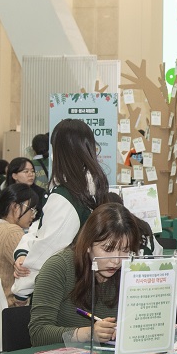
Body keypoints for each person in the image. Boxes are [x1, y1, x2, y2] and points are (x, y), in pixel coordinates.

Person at [12, 119, 109, 301]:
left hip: (62, 293)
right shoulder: (91, 186)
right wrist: (23, 253)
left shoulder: (67, 196)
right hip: (81, 285)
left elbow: (48, 248)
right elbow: (41, 230)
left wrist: (21, 288)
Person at [28, 203, 140, 346]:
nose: (116, 261)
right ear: (88, 244)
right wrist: (88, 333)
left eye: (125, 250)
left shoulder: (130, 269)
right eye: (107, 249)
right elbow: (38, 333)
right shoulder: (58, 268)